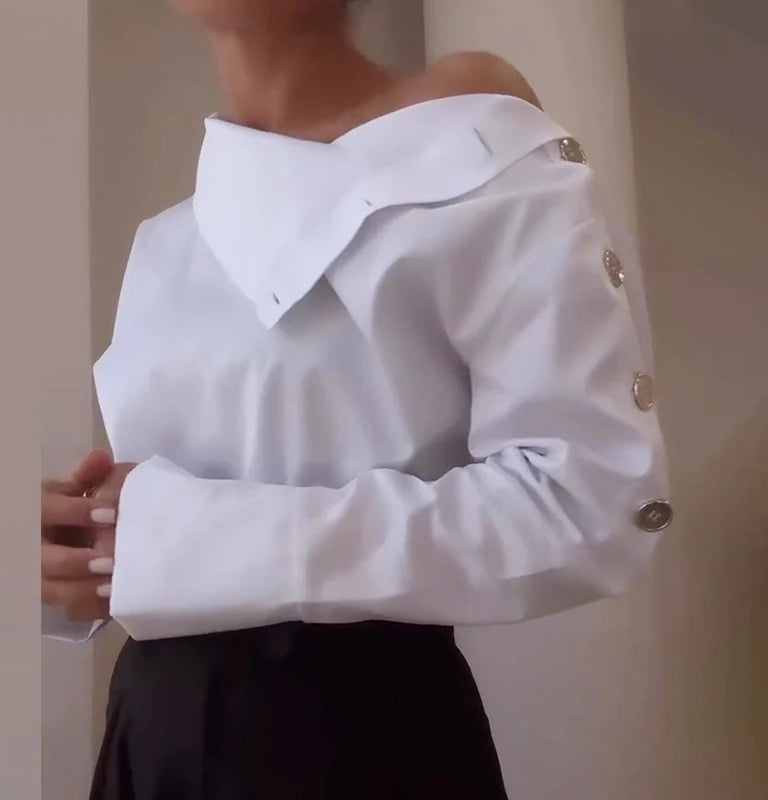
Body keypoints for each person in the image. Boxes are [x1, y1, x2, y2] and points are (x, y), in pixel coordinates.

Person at [41, 0, 673, 797]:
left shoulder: (472, 153)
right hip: (152, 732)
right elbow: (170, 522)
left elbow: (590, 497)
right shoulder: (170, 243)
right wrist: (84, 553)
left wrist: (178, 540)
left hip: (359, 737)